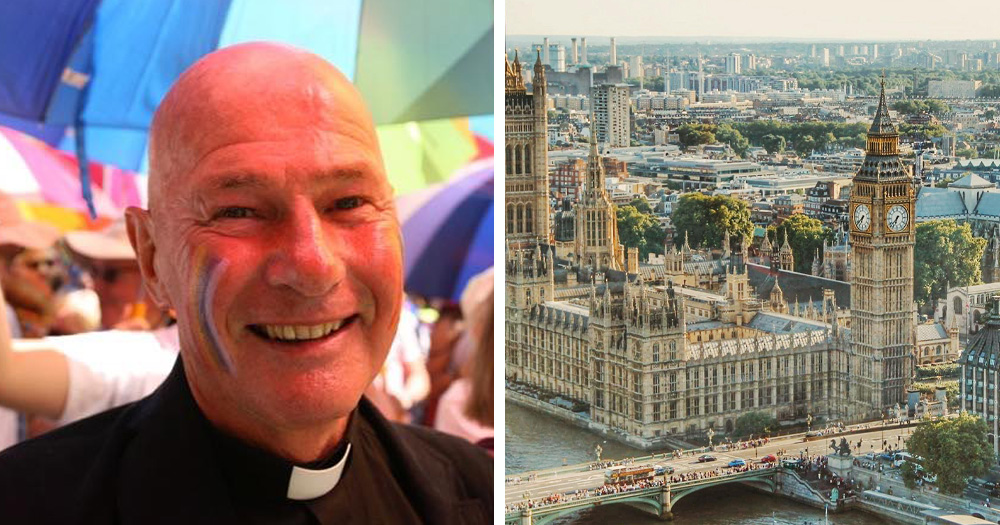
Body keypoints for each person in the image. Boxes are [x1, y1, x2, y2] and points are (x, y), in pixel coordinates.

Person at [0, 42, 491, 523]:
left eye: (349, 203)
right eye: (239, 212)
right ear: (152, 258)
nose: (313, 265)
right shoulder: (29, 503)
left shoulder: (480, 492)